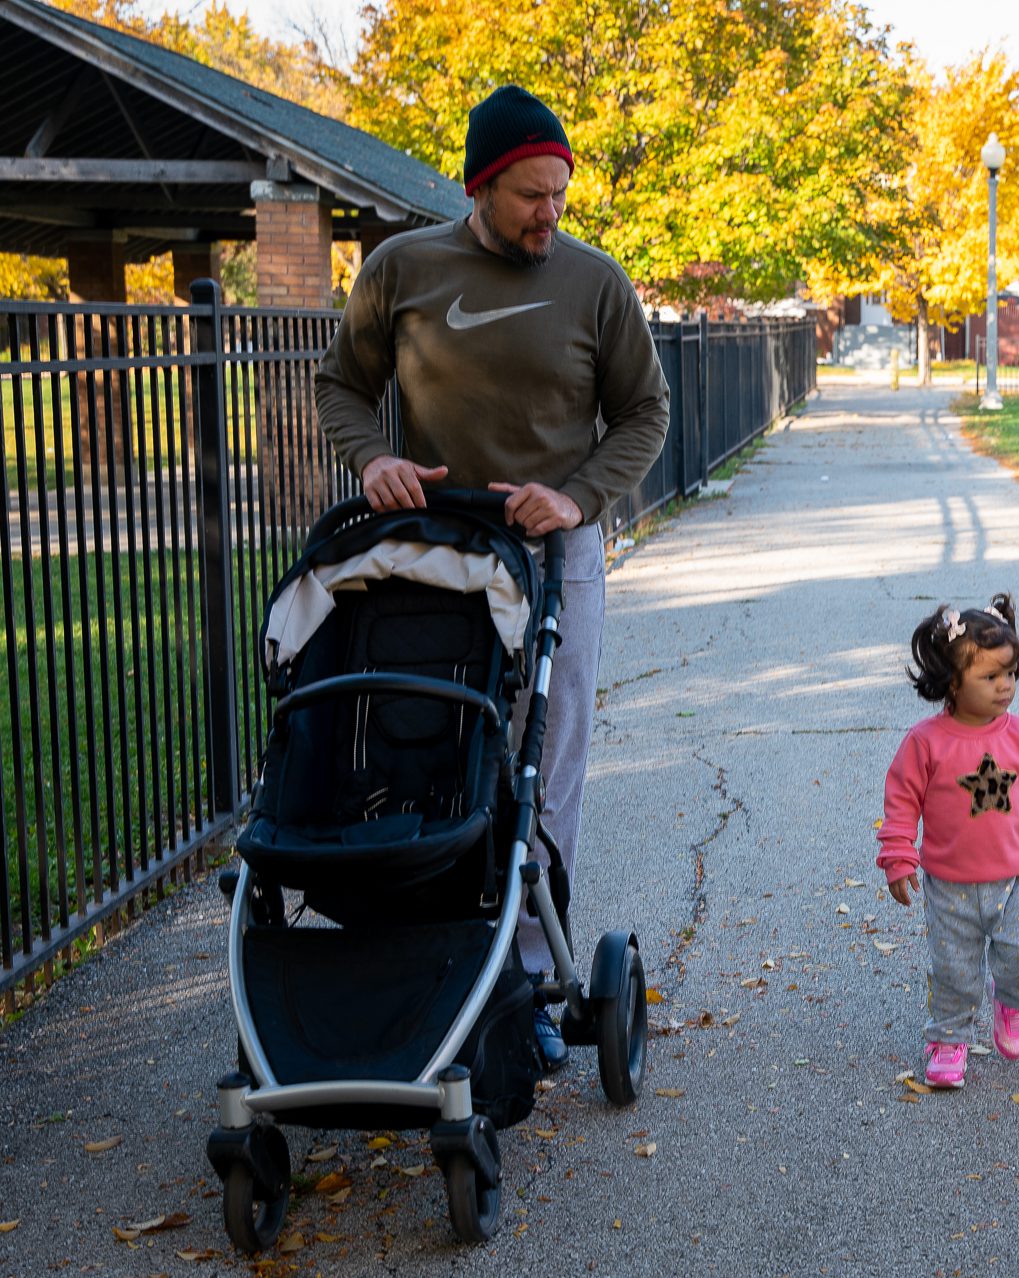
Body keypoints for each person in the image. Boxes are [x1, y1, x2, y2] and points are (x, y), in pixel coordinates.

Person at [315, 84, 671, 1071]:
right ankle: (418, 955)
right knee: (428, 747)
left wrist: (579, 497)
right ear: (481, 187)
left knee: (544, 764)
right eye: (528, 195)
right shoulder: (405, 269)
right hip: (436, 556)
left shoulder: (596, 284)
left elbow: (645, 411)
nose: (548, 213)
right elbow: (342, 385)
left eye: (559, 193)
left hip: (555, 558)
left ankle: (523, 978)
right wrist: (370, 462)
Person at [878, 596, 1019, 1089]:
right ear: (951, 682)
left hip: (1012, 882)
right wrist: (899, 855)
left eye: (1010, 673)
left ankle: (1011, 1001)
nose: (1005, 685)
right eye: (990, 677)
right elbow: (901, 802)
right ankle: (947, 1040)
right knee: (953, 971)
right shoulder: (926, 743)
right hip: (949, 889)